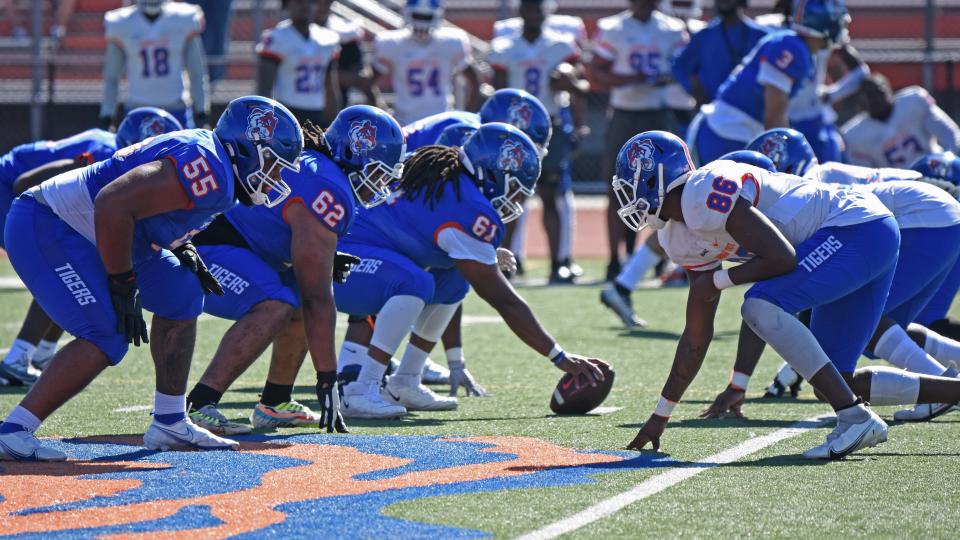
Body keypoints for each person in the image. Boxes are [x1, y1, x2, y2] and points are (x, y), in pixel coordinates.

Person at [0, 96, 303, 461]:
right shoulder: (209, 167)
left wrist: (183, 244)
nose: (277, 177)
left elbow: (147, 210)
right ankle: (14, 430)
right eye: (273, 164)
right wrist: (122, 280)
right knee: (106, 334)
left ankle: (170, 422)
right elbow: (113, 203)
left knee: (183, 292)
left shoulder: (218, 165)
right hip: (53, 224)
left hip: (112, 231)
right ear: (247, 147)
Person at [614, 131, 893, 459]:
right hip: (868, 232)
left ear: (655, 176)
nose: (629, 195)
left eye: (631, 183)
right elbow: (695, 336)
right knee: (837, 374)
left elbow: (781, 257)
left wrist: (719, 280)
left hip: (857, 228)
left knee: (760, 306)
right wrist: (661, 414)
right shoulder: (677, 236)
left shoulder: (700, 193)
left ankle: (854, 416)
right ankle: (929, 395)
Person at [334, 123, 608, 418]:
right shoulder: (468, 205)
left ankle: (405, 380)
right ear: (494, 172)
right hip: (343, 262)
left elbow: (429, 231)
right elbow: (504, 300)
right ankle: (361, 389)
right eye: (514, 188)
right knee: (414, 282)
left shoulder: (453, 179)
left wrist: (483, 251)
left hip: (361, 255)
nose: (515, 201)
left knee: (453, 279)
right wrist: (559, 356)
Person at [184, 106, 405, 435]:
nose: (381, 184)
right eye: (379, 172)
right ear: (354, 153)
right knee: (276, 304)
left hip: (235, 244)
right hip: (205, 247)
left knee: (296, 296)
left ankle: (275, 400)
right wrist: (327, 379)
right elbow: (319, 298)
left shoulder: (320, 166)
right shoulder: (330, 189)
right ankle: (199, 403)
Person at [704, 142, 960, 425]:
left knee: (862, 321)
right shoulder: (809, 184)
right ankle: (945, 383)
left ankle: (944, 388)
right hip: (932, 216)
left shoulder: (801, 195)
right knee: (874, 329)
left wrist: (791, 367)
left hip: (920, 220)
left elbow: (778, 292)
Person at [340, 90, 553, 395]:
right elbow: (442, 211)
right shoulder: (463, 138)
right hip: (371, 201)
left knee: (438, 269)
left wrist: (456, 359)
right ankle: (355, 369)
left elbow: (455, 268)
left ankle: (391, 371)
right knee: (399, 274)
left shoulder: (468, 133)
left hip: (388, 203)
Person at [0, 108, 184, 387]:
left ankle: (42, 353)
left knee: (78, 262)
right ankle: (18, 357)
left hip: (16, 190)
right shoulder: (107, 156)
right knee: (67, 263)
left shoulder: (112, 149)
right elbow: (23, 183)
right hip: (10, 192)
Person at [489, 0, 590, 283]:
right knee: (510, 196)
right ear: (521, 12)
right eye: (529, 7)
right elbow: (498, 94)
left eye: (537, 8)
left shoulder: (561, 44)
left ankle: (558, 262)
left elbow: (582, 86)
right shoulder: (505, 47)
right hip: (514, 132)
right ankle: (506, 262)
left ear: (546, 12)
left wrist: (569, 85)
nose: (533, 13)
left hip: (549, 126)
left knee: (551, 194)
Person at [591, 0, 690, 281]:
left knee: (667, 190)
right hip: (624, 113)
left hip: (658, 115)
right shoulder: (613, 27)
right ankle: (614, 259)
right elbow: (596, 70)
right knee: (616, 188)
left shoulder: (672, 28)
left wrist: (667, 77)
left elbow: (684, 69)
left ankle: (661, 255)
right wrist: (625, 79)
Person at [687, 0, 850, 165]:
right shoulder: (793, 48)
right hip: (729, 131)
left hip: (732, 128)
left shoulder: (795, 45)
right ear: (823, 21)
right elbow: (774, 118)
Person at [100, 0, 211, 129]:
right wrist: (107, 117)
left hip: (176, 109)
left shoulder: (184, 18)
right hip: (138, 111)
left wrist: (202, 113)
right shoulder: (121, 23)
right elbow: (112, 77)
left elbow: (196, 72)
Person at [372, 0, 482, 125]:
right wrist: (381, 111)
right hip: (405, 121)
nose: (421, 22)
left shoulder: (451, 42)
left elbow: (473, 78)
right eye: (418, 16)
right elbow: (369, 81)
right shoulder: (391, 44)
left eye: (426, 17)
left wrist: (468, 113)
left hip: (440, 120)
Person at [842, 75, 960, 168]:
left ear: (889, 89)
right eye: (870, 96)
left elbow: (948, 132)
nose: (876, 99)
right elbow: (865, 174)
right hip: (898, 188)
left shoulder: (914, 101)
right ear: (861, 103)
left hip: (934, 169)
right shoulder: (853, 136)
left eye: (879, 92)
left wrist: (949, 161)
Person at [256, 0, 340, 127]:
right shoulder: (276, 37)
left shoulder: (328, 39)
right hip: (287, 112)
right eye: (298, 2)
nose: (305, 5)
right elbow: (264, 88)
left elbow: (330, 86)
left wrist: (335, 122)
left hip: (319, 114)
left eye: (309, 2)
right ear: (287, 5)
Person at [672, 0, 769, 109]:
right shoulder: (705, 36)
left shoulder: (761, 36)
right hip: (714, 110)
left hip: (753, 111)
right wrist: (694, 91)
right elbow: (679, 66)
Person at [315, 0, 377, 106]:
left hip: (333, 106)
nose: (321, 5)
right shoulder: (286, 33)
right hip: (295, 106)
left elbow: (360, 78)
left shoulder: (343, 33)